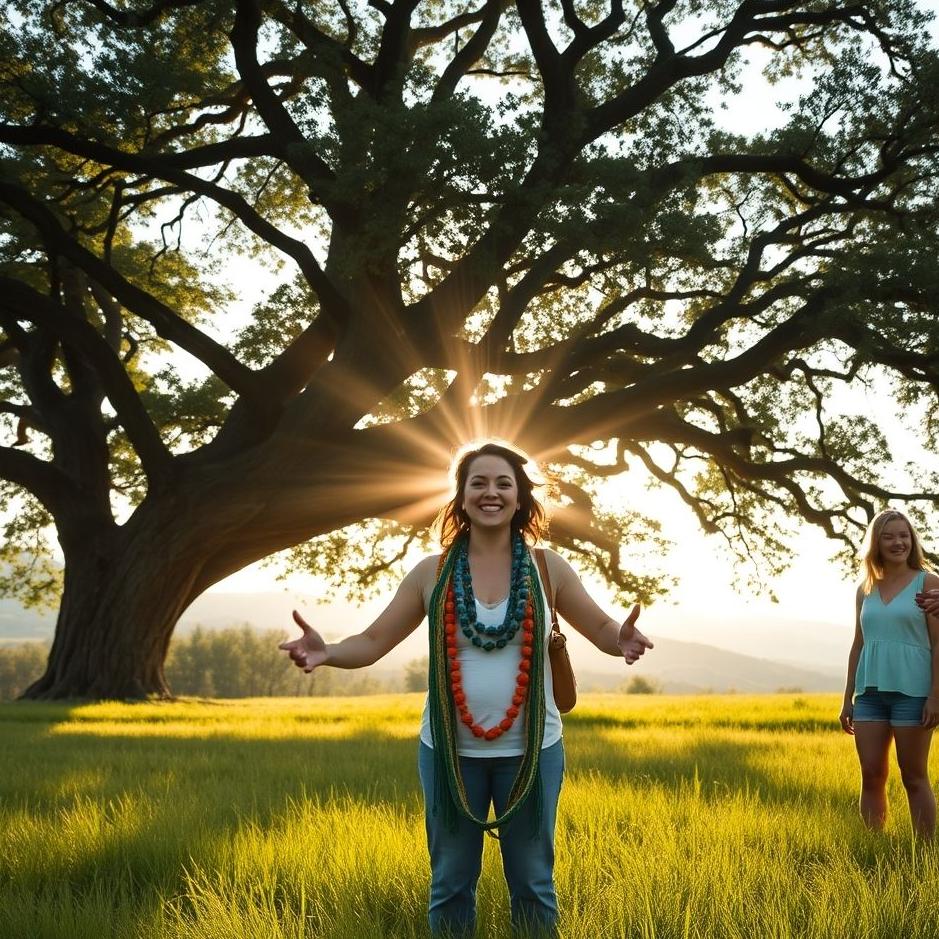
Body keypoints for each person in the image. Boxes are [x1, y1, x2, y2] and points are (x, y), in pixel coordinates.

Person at [279, 441, 653, 936]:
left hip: (534, 753)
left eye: (503, 483)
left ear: (520, 498)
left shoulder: (548, 568)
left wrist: (620, 640)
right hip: (449, 756)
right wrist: (327, 652)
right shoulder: (431, 573)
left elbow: (602, 628)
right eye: (478, 482)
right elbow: (371, 642)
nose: (491, 492)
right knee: (451, 885)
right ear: (460, 496)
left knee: (534, 886)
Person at [839, 508, 939, 838]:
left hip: (914, 693)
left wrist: (935, 696)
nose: (898, 542)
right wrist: (847, 698)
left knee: (913, 776)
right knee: (871, 775)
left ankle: (924, 853)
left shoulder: (928, 582)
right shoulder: (865, 588)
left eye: (904, 535)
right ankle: (874, 845)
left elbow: (938, 643)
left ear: (912, 540)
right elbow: (858, 644)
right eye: (889, 537)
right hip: (869, 695)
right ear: (876, 543)